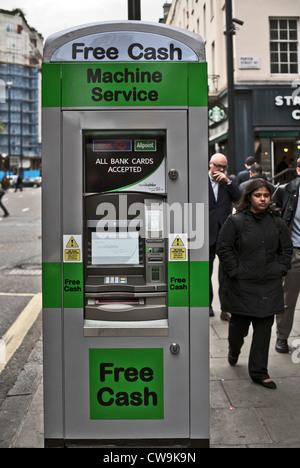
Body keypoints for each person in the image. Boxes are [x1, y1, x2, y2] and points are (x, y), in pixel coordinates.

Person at [216, 179, 293, 389]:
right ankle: (234, 350)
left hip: (269, 284)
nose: (263, 199)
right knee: (238, 327)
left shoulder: (277, 222)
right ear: (249, 196)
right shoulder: (236, 221)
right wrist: (235, 271)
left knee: (264, 329)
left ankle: (260, 372)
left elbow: (286, 250)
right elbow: (224, 248)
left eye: (266, 196)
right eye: (258, 195)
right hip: (242, 285)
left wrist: (280, 268)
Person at [209, 153, 241, 320]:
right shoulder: (200, 180)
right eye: (217, 166)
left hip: (225, 233)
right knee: (205, 271)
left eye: (223, 167)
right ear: (210, 164)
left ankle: (225, 308)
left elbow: (240, 198)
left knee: (226, 273)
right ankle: (207, 305)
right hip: (206, 232)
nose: (220, 170)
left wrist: (228, 181)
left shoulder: (228, 182)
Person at [272, 158, 300, 353]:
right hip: (295, 253)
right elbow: (271, 213)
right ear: (298, 170)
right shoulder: (287, 190)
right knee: (288, 299)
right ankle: (282, 337)